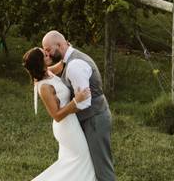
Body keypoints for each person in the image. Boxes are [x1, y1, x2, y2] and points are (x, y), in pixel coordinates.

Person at [42, 30, 115, 181]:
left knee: (101, 168)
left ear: (60, 45)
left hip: (94, 119)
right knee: (84, 167)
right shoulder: (67, 60)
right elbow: (51, 71)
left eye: (48, 50)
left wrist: (68, 108)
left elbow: (85, 102)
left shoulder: (75, 64)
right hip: (83, 120)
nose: (47, 54)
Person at [22, 47, 96, 181]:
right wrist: (76, 101)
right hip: (65, 126)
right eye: (45, 54)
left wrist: (65, 47)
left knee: (72, 163)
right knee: (83, 159)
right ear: (40, 62)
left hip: (71, 122)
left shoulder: (48, 72)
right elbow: (56, 116)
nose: (49, 54)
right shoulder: (44, 87)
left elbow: (63, 63)